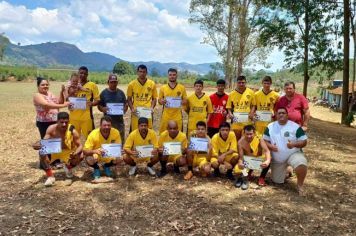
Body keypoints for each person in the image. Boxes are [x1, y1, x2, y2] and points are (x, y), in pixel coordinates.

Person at [263, 107, 308, 196]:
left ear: (287, 115)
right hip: (278, 159)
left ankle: (300, 186)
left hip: (293, 154)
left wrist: (294, 144)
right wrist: (271, 146)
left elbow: (304, 141)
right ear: (276, 115)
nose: (281, 114)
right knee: (277, 181)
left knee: (301, 164)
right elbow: (264, 141)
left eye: (283, 113)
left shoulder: (295, 126)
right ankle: (288, 170)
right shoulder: (270, 126)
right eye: (279, 113)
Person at [38, 112, 83, 186]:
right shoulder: (51, 128)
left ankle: (68, 167)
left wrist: (75, 153)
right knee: (42, 152)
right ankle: (50, 176)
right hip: (54, 150)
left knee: (81, 155)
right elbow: (44, 142)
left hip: (67, 151)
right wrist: (38, 145)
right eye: (61, 122)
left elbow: (80, 146)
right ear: (57, 121)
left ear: (69, 121)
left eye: (66, 122)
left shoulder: (72, 131)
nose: (64, 124)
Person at [83, 116, 123, 181]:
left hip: (109, 155)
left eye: (108, 125)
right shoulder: (93, 134)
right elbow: (85, 151)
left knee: (120, 158)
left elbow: (118, 147)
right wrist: (94, 151)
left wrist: (119, 150)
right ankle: (96, 168)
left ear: (111, 125)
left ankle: (107, 166)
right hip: (96, 155)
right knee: (89, 159)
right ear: (100, 125)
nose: (106, 127)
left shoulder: (116, 132)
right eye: (104, 125)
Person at [233, 125, 271, 190]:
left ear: (254, 133)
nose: (249, 136)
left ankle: (261, 177)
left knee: (268, 158)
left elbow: (267, 151)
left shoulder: (259, 138)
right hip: (248, 160)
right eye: (247, 134)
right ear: (244, 133)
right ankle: (245, 176)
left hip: (258, 159)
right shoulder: (240, 142)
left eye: (251, 134)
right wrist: (240, 163)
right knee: (237, 170)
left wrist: (267, 161)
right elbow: (241, 158)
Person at [69, 66, 100, 138]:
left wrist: (91, 103)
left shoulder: (92, 85)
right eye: (81, 73)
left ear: (87, 75)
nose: (82, 75)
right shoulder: (73, 84)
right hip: (73, 117)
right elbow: (67, 98)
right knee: (73, 138)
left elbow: (97, 100)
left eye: (85, 74)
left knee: (90, 138)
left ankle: (89, 150)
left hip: (87, 117)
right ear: (78, 73)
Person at [127, 64, 157, 132]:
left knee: (148, 131)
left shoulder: (152, 83)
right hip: (136, 112)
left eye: (144, 72)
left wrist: (152, 107)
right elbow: (129, 99)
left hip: (147, 111)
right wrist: (132, 108)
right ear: (137, 72)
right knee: (135, 131)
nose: (142, 73)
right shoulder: (131, 84)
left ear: (146, 73)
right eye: (140, 71)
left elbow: (154, 99)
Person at [98, 74, 128, 141]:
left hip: (119, 122)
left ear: (117, 83)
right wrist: (103, 109)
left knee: (120, 141)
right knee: (108, 141)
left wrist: (125, 108)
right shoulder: (103, 93)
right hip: (107, 123)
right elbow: (99, 105)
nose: (113, 84)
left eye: (115, 82)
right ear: (108, 82)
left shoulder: (121, 93)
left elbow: (125, 104)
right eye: (111, 82)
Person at [158, 68, 187, 134]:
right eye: (170, 75)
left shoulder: (182, 87)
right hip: (166, 115)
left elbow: (185, 101)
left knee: (178, 134)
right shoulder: (163, 88)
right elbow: (159, 101)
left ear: (177, 76)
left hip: (177, 115)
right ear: (168, 76)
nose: (172, 76)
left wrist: (181, 102)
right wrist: (162, 101)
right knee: (164, 134)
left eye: (174, 75)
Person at [226, 75, 255, 141]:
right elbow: (228, 107)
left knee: (247, 139)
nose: (241, 84)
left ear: (246, 83)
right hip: (236, 121)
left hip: (247, 120)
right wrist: (230, 113)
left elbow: (253, 105)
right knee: (236, 139)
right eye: (239, 82)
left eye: (243, 82)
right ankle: (236, 151)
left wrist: (251, 113)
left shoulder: (251, 92)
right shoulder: (232, 94)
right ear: (237, 83)